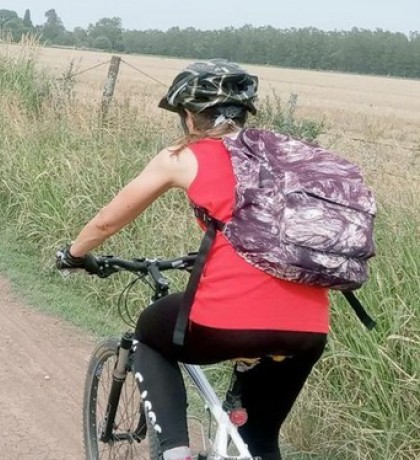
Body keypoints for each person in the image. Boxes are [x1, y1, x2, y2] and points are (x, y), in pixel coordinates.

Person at [56, 60, 329, 460]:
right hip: (308, 325)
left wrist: (74, 254)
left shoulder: (184, 156)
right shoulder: (285, 156)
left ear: (188, 115)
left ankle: (175, 453)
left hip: (229, 316)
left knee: (150, 334)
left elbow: (107, 221)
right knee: (259, 440)